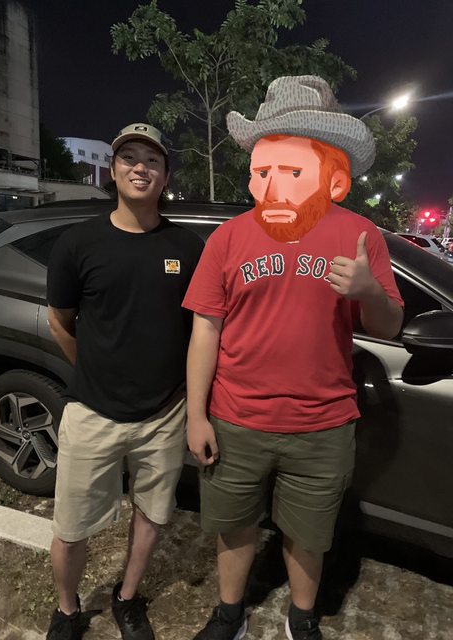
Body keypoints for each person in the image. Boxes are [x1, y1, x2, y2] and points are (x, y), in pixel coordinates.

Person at [182, 76, 404, 640]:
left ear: (333, 178)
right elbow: (205, 329)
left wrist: (369, 293)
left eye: (290, 170)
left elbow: (389, 325)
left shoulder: (361, 237)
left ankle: (301, 619)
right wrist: (196, 415)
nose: (273, 185)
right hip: (235, 421)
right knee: (234, 527)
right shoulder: (228, 239)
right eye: (263, 171)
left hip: (323, 425)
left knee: (308, 534)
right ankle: (229, 613)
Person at [45, 122, 204, 640]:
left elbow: (198, 331)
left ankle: (128, 597)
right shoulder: (78, 243)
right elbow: (60, 322)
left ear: (165, 176)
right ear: (112, 171)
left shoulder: (187, 246)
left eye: (152, 160)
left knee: (153, 515)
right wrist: (93, 368)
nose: (141, 167)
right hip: (92, 412)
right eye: (129, 158)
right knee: (71, 528)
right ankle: (67, 609)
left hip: (165, 414)